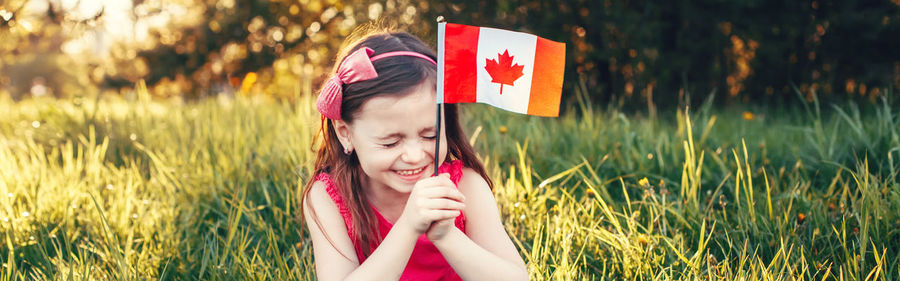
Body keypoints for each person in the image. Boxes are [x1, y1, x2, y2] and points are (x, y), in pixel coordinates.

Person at [300, 27, 529, 281]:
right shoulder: (329, 197)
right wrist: (408, 227)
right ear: (345, 133)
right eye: (390, 143)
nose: (414, 155)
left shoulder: (465, 186)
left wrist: (447, 236)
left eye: (430, 136)